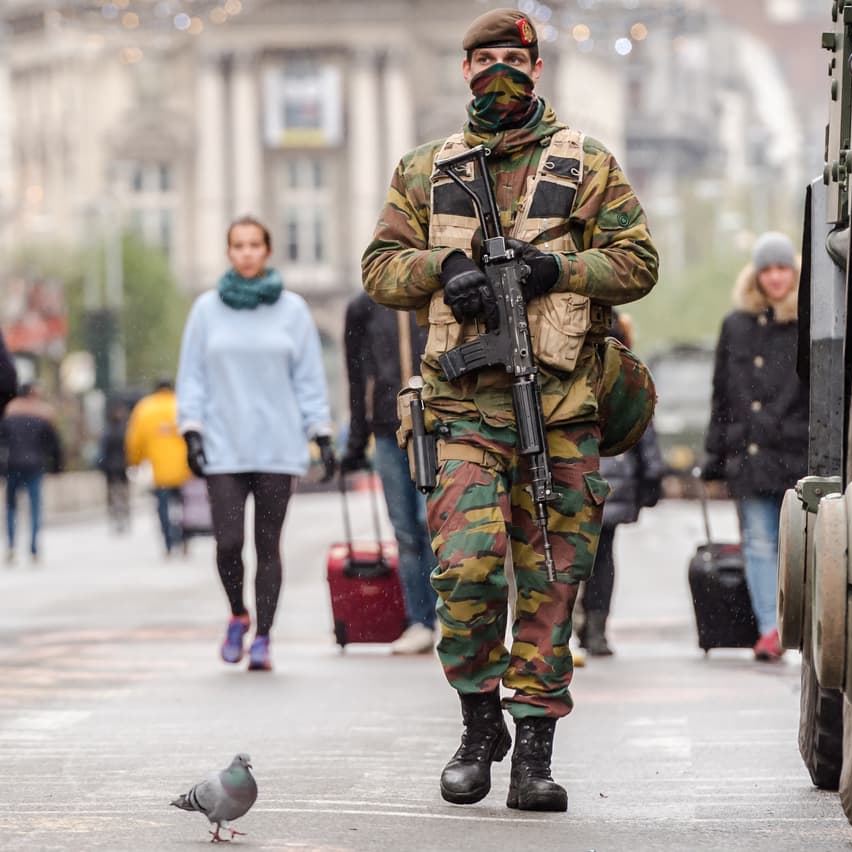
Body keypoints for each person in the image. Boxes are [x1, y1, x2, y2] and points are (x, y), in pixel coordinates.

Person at [362, 8, 658, 813]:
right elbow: (380, 269)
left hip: (560, 410)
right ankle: (476, 722)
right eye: (485, 58)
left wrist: (554, 269)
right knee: (464, 569)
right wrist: (443, 268)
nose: (500, 71)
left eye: (514, 58)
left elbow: (637, 263)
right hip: (460, 410)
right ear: (464, 71)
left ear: (537, 67)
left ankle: (533, 750)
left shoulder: (587, 163)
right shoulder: (427, 169)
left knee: (553, 582)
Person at [177, 216, 335, 673]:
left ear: (267, 251)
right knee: (227, 543)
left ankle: (264, 636)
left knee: (269, 545)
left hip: (277, 445)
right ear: (228, 252)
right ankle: (237, 614)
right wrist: (191, 429)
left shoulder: (293, 310)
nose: (246, 252)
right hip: (224, 445)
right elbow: (193, 377)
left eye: (254, 245)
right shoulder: (206, 310)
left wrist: (320, 434)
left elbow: (308, 377)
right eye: (238, 245)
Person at [703, 232, 808, 663]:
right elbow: (721, 394)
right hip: (748, 455)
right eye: (768, 269)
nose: (776, 277)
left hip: (796, 454)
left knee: (799, 547)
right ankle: (771, 629)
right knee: (760, 544)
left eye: (783, 268)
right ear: (757, 275)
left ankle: (798, 627)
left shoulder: (808, 321)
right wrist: (713, 457)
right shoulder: (736, 325)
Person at [342, 292, 439, 654]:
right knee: (405, 530)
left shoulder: (438, 292)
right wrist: (355, 440)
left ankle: (450, 615)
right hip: (387, 428)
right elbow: (355, 377)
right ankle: (420, 620)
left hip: (436, 424)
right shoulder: (363, 306)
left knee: (433, 522)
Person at [577, 315, 663, 657]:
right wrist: (652, 474)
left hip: (586, 470)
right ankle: (594, 630)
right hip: (611, 474)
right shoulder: (623, 359)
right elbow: (641, 421)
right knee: (600, 558)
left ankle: (581, 628)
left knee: (572, 556)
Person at [125, 379, 192, 557]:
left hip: (159, 471)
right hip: (185, 469)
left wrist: (135, 461)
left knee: (162, 507)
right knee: (185, 506)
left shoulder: (145, 408)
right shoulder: (182, 404)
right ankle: (185, 537)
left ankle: (168, 543)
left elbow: (135, 439)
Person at [0, 383, 62, 564]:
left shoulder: (9, 415)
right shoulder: (42, 416)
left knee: (11, 507)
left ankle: (11, 545)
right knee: (35, 508)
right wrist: (57, 467)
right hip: (35, 466)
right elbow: (54, 445)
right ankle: (34, 549)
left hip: (12, 465)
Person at [97, 399, 131, 534]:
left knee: (118, 493)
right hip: (117, 466)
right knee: (118, 493)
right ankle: (120, 516)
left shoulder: (110, 430)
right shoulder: (122, 429)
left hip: (116, 467)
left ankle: (120, 516)